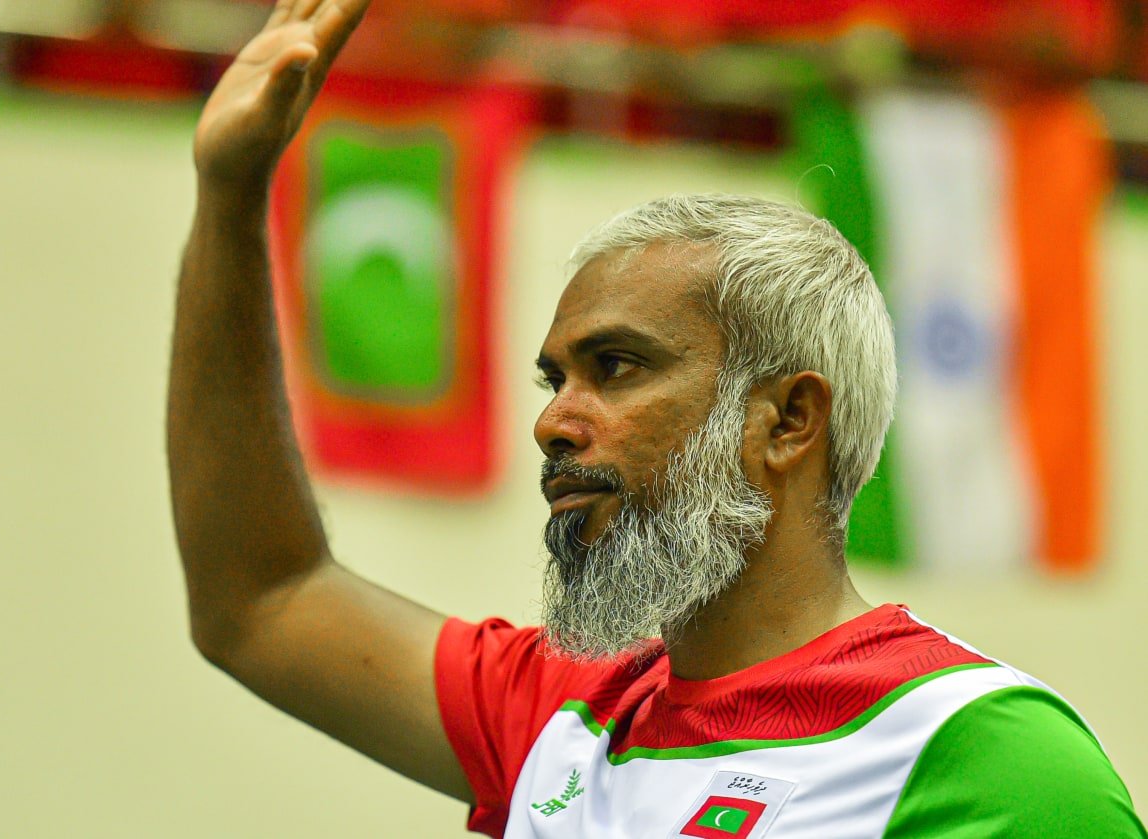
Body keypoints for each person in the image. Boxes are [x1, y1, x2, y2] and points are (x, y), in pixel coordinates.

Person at [167, 1, 1145, 836]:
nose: (555, 421)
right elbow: (264, 599)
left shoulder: (986, 756)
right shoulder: (564, 713)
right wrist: (231, 191)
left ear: (789, 419)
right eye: (554, 380)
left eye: (617, 368)